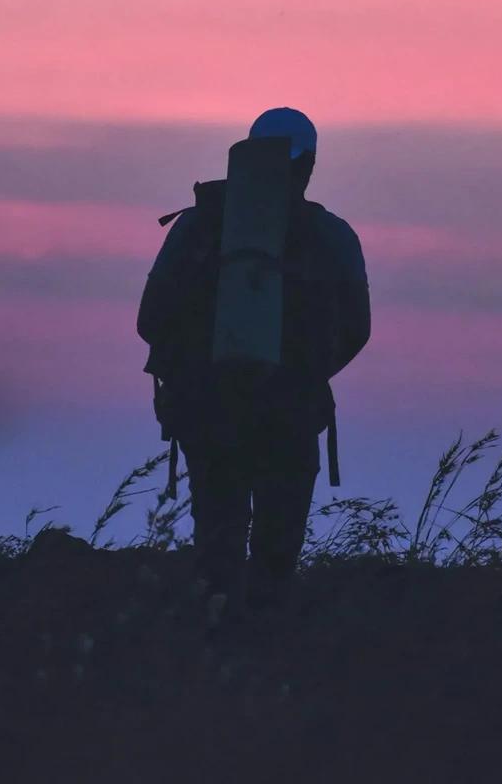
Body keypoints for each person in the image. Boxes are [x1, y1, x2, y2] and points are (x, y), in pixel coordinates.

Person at [137, 108, 370, 619]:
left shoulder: (197, 226)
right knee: (276, 559)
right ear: (308, 165)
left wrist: (202, 370)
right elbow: (359, 329)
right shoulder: (332, 235)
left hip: (208, 415)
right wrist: (303, 375)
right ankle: (266, 666)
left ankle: (211, 665)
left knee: (216, 552)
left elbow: (149, 320)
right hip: (290, 417)